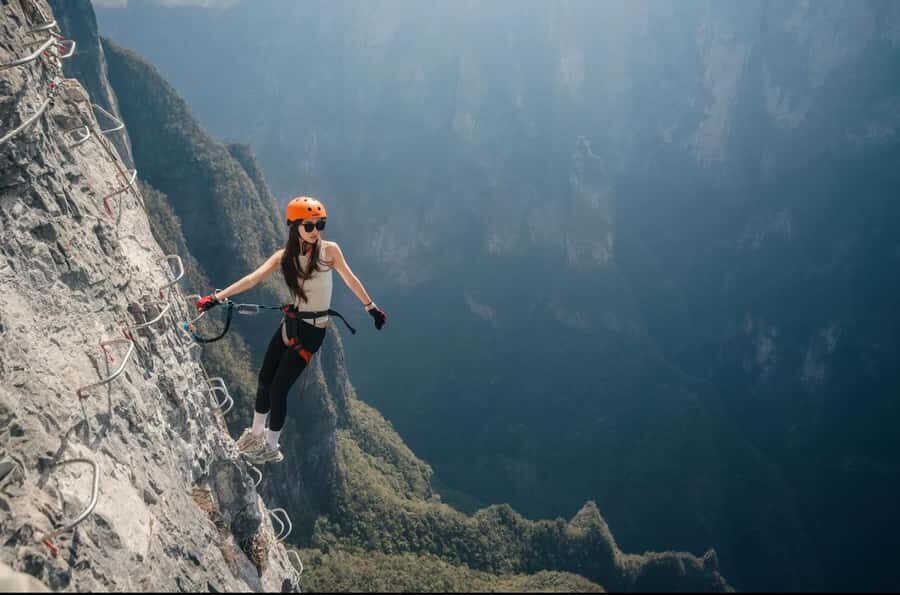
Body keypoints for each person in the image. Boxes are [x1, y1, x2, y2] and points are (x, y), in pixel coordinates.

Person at [195, 196, 387, 463]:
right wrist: (216, 298)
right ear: (294, 226)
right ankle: (256, 433)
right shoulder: (283, 257)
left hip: (312, 331)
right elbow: (252, 279)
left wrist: (371, 307)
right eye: (309, 225)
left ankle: (272, 447)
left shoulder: (330, 251)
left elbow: (350, 279)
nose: (316, 231)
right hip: (291, 324)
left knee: (279, 389)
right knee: (265, 378)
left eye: (320, 224)